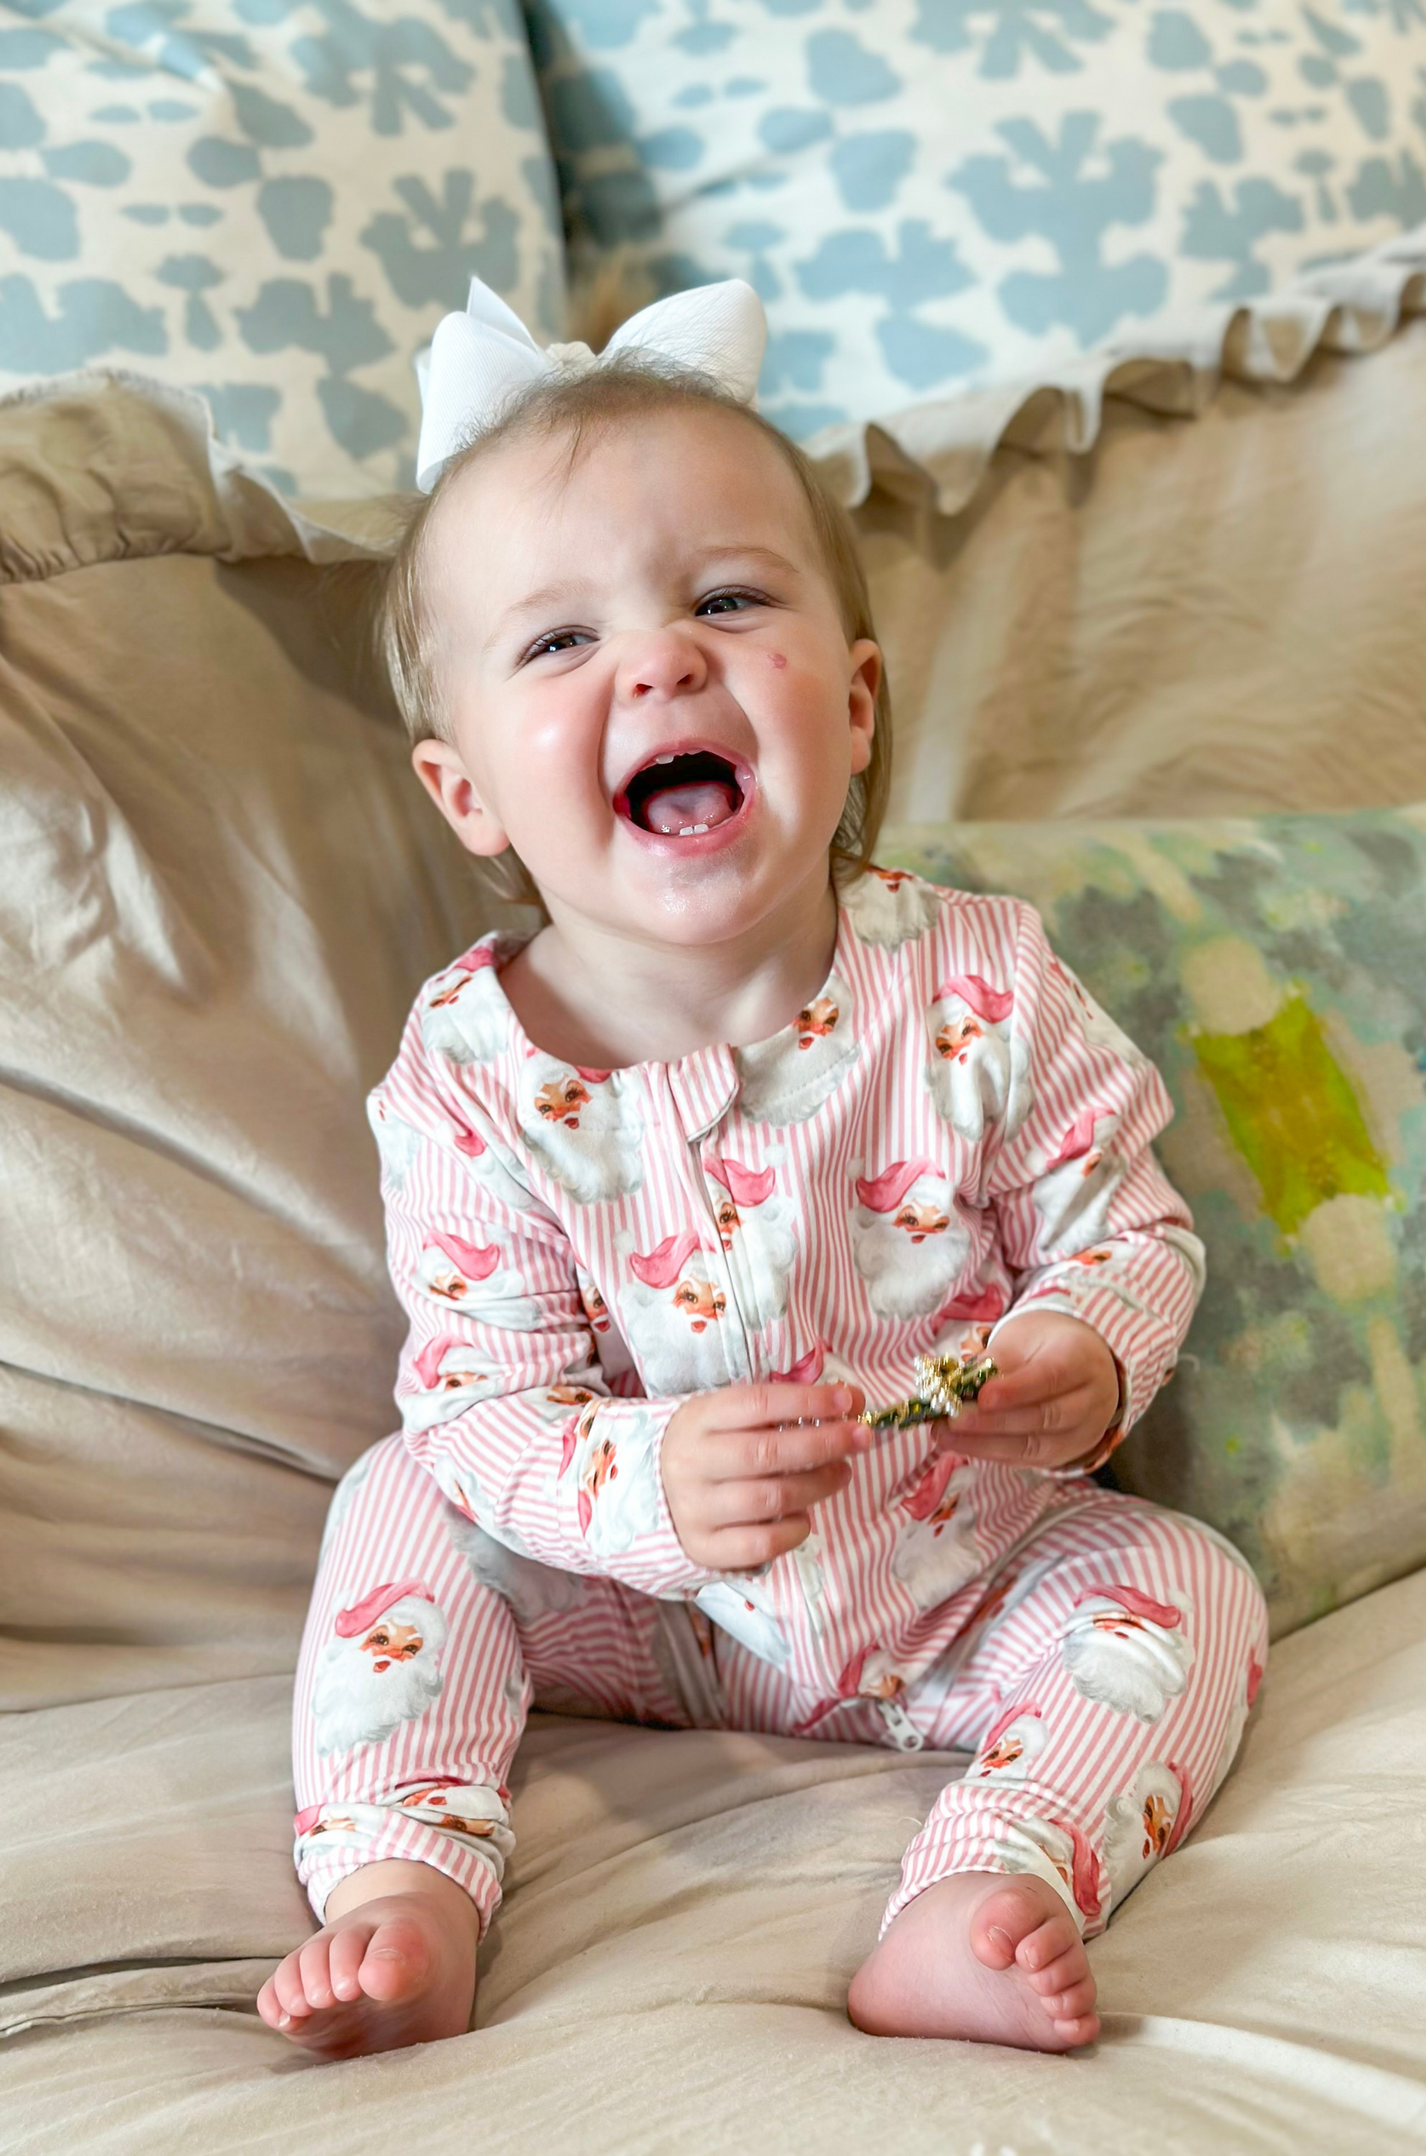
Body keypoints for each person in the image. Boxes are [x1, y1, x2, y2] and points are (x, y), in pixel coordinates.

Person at [256, 278, 1267, 2063]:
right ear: (467, 790)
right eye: (560, 646)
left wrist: (1091, 1352)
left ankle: (985, 1886)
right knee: (399, 1502)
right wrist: (643, 1481)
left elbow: (1131, 1223)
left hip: (954, 1573)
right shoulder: (469, 1081)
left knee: (1193, 1588)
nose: (661, 662)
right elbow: (485, 1405)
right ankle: (403, 1877)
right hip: (631, 1608)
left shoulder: (977, 982)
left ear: (856, 705)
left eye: (727, 601)